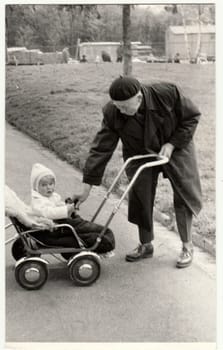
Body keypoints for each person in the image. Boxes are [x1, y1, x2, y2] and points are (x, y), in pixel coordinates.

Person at [72, 76, 202, 268]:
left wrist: (172, 144)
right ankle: (146, 244)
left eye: (125, 107)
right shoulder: (112, 112)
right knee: (140, 194)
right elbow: (101, 148)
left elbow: (191, 117)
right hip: (138, 150)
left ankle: (187, 245)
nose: (121, 111)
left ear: (139, 98)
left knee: (183, 193)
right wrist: (86, 188)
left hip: (176, 145)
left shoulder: (167, 93)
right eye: (118, 107)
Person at [30, 163, 115, 254]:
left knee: (80, 223)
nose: (48, 187)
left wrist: (66, 206)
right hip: (53, 229)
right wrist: (65, 210)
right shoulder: (38, 201)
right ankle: (101, 241)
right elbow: (48, 212)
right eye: (44, 185)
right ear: (36, 187)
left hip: (60, 224)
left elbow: (57, 205)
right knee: (82, 227)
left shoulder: (52, 196)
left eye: (51, 184)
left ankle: (101, 237)